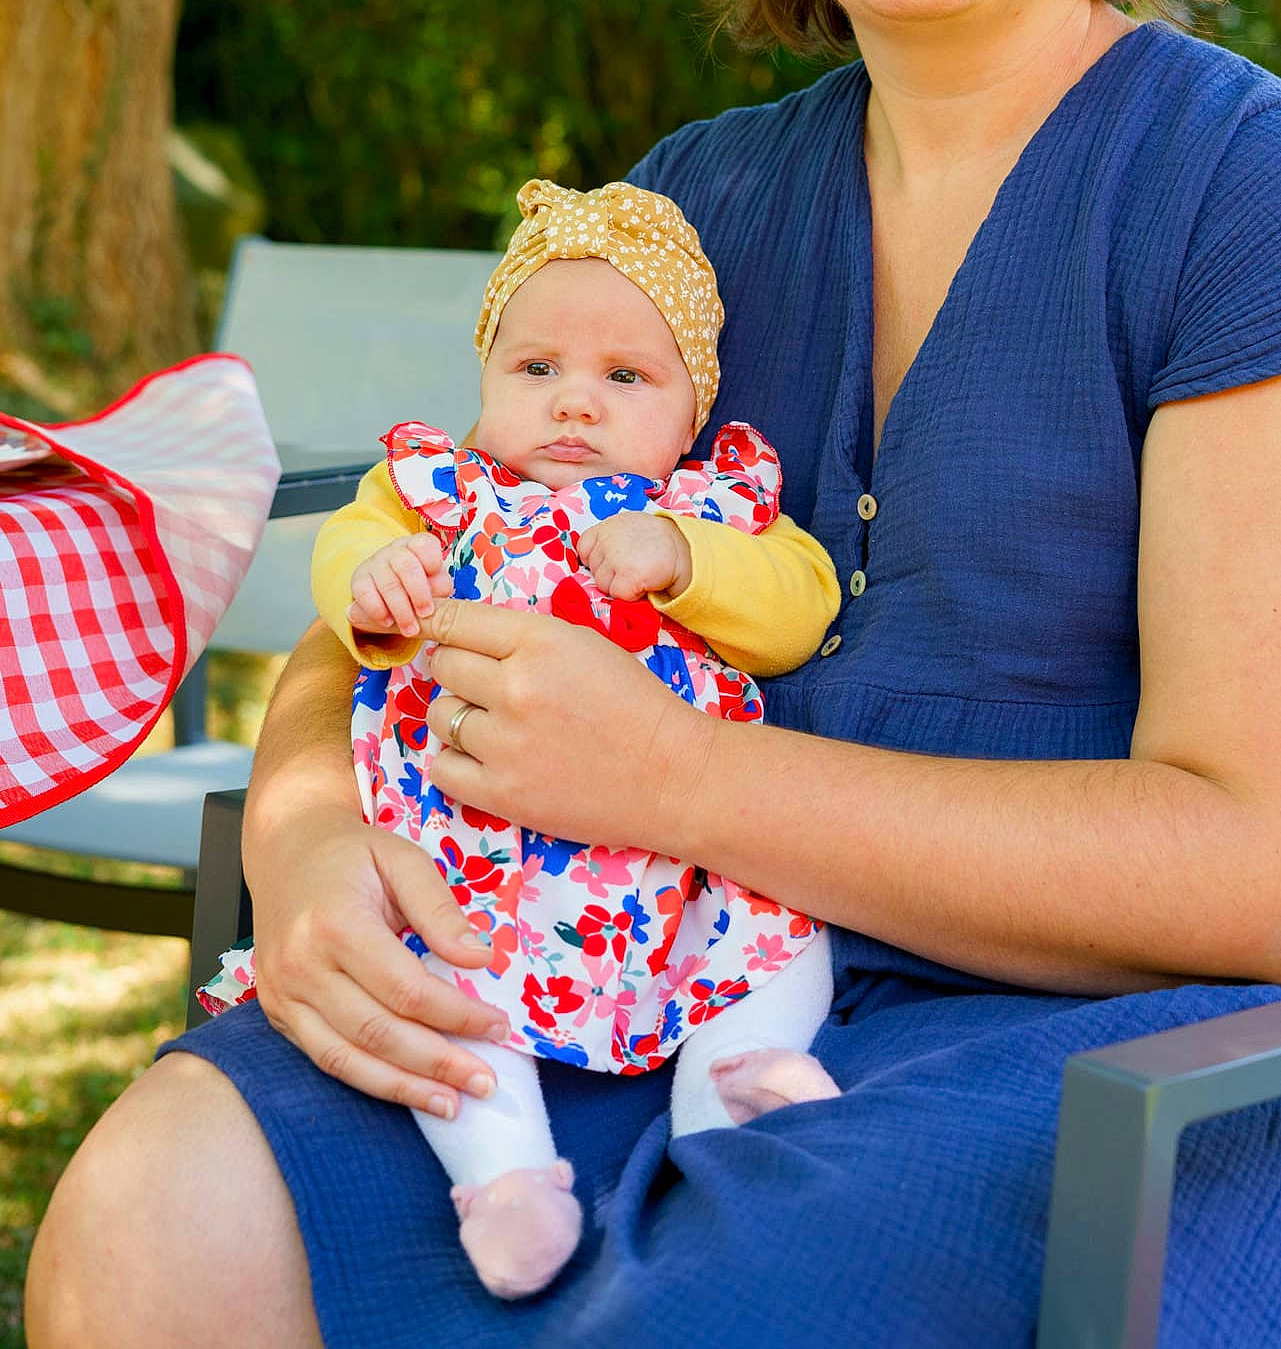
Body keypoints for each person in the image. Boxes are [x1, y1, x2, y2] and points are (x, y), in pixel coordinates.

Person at [26, 0, 1281, 1349]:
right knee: (151, 1216)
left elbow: (1246, 859)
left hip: (1073, 1053)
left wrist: (685, 784)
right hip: (615, 968)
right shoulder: (684, 217)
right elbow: (412, 577)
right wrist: (297, 833)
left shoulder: (1224, 182)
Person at [198, 176, 840, 1299]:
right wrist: (375, 579)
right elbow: (343, 550)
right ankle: (503, 1180)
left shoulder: (715, 504)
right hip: (473, 837)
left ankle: (731, 1085)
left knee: (786, 927)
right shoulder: (443, 491)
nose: (574, 405)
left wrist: (689, 562)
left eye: (624, 378)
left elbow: (803, 602)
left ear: (692, 412)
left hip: (678, 860)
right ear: (487, 380)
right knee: (440, 976)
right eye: (535, 370)